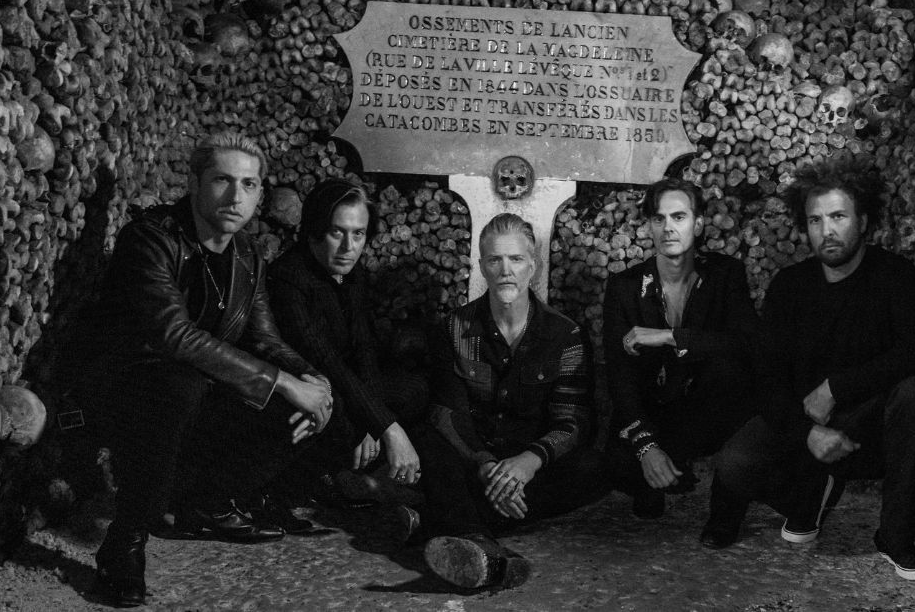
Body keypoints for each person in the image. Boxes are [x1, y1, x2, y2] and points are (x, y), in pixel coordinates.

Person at [73, 132, 336, 607]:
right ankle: (125, 543)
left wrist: (314, 382)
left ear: (260, 193)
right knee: (181, 385)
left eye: (249, 184)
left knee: (294, 409)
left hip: (200, 390)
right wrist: (283, 382)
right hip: (127, 388)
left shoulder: (247, 254)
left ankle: (204, 503)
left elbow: (264, 338)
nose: (236, 196)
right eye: (222, 180)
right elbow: (173, 335)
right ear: (194, 184)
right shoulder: (150, 238)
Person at [706, 162, 915, 582]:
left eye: (838, 217)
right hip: (808, 426)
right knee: (736, 464)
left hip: (871, 427)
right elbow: (768, 378)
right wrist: (806, 432)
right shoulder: (790, 286)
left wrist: (837, 387)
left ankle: (896, 537)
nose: (827, 231)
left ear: (863, 221)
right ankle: (808, 496)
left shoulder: (893, 275)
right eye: (815, 220)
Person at [417, 213, 606, 590]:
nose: (506, 270)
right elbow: (448, 413)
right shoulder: (455, 327)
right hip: (473, 458)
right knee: (429, 440)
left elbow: (573, 421)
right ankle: (485, 549)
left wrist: (528, 462)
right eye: (495, 260)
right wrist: (486, 466)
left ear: (532, 266)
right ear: (482, 266)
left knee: (595, 468)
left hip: (529, 466)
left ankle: (430, 518)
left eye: (516, 259)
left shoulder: (565, 335)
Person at [601, 178, 758, 538]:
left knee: (730, 369)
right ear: (649, 226)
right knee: (617, 464)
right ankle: (655, 476)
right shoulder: (625, 287)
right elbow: (620, 377)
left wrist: (672, 337)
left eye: (679, 217)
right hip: (656, 409)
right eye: (659, 219)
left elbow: (747, 345)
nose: (668, 228)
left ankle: (724, 510)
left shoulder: (724, 275)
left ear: (698, 224)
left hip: (708, 408)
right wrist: (646, 447)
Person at [267, 179, 425, 505]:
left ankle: (350, 478)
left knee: (414, 390)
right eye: (336, 232)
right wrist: (387, 427)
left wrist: (374, 423)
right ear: (314, 230)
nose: (348, 247)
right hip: (306, 389)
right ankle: (306, 487)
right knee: (334, 414)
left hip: (343, 386)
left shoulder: (351, 272)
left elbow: (363, 347)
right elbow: (326, 361)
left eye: (358, 234)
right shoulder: (288, 278)